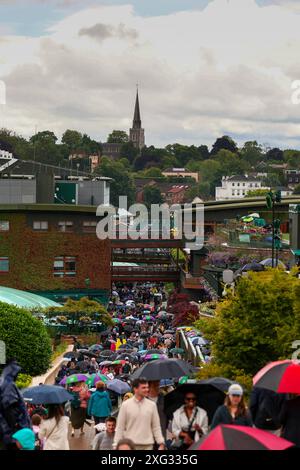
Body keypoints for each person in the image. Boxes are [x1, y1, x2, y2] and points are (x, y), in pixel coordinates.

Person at [113, 378, 165, 451]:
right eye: (143, 387)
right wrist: (116, 445)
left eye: (147, 387)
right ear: (135, 389)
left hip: (148, 445)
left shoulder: (152, 405)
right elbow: (120, 427)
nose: (147, 389)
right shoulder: (125, 405)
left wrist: (161, 442)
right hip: (130, 445)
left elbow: (156, 426)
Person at [0, 360, 31, 449]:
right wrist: (17, 427)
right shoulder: (8, 385)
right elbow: (10, 409)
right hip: (13, 434)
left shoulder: (5, 383)